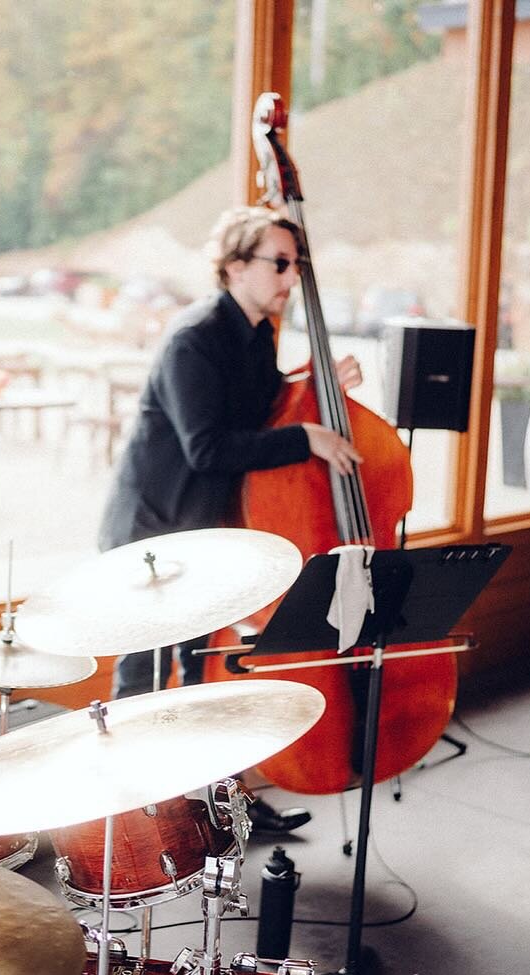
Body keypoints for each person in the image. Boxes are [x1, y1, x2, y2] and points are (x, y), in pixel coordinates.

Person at [97, 206, 363, 834]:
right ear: (236, 265)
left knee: (199, 678)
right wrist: (308, 438)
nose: (289, 277)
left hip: (202, 528)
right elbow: (208, 447)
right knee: (141, 678)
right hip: (151, 527)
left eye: (294, 265)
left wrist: (311, 383)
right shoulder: (194, 337)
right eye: (278, 263)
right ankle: (128, 822)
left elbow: (259, 406)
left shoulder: (257, 331)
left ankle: (219, 807)